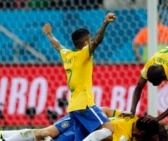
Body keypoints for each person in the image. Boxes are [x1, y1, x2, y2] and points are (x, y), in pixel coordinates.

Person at [42, 12, 116, 141]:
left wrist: (49, 34)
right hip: (85, 104)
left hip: (74, 107)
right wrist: (105, 23)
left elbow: (57, 45)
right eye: (90, 39)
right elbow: (97, 42)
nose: (91, 40)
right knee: (108, 131)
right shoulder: (84, 54)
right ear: (86, 42)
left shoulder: (68, 55)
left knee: (80, 137)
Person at [0, 107, 168, 141]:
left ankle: (0, 135)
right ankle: (0, 136)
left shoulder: (131, 136)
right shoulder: (128, 119)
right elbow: (105, 111)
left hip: (83, 134)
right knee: (45, 133)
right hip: (81, 122)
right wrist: (92, 116)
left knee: (44, 138)